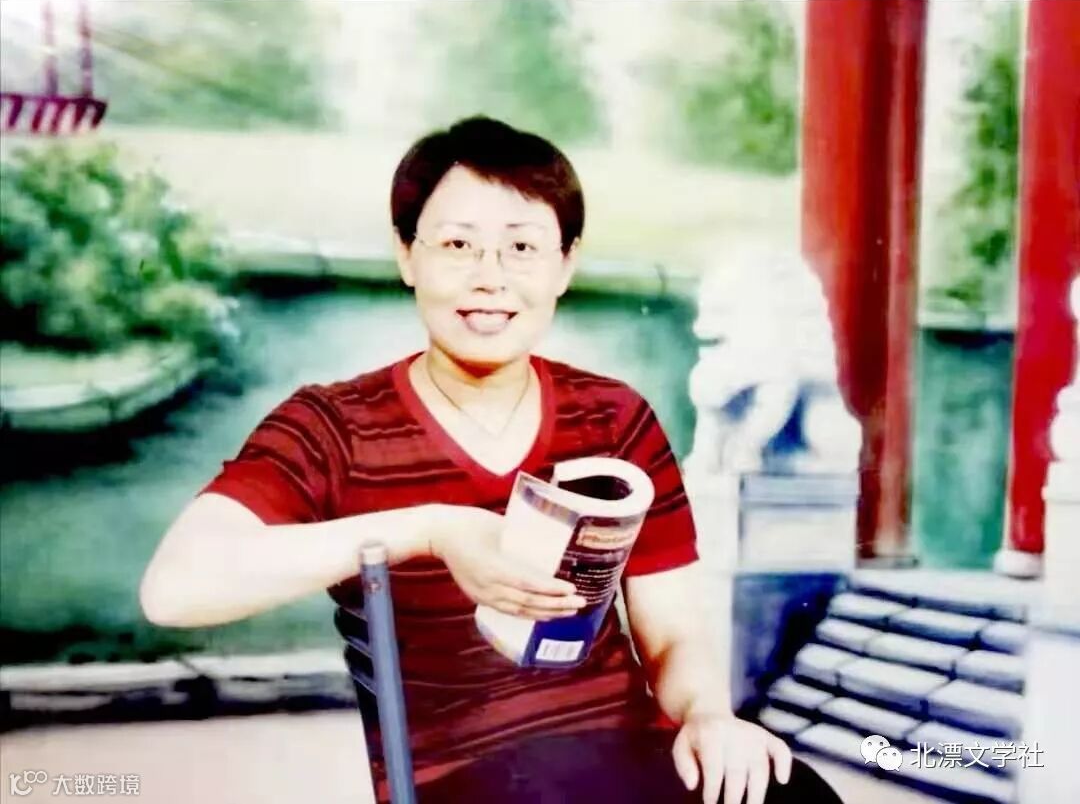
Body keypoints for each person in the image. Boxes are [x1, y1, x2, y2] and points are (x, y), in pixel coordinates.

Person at [139, 117, 842, 804]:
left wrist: (708, 716)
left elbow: (675, 633)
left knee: (793, 796)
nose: (490, 278)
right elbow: (174, 589)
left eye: (522, 247)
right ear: (406, 255)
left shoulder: (613, 416)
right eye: (457, 244)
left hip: (627, 761)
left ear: (565, 264)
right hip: (467, 778)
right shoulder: (333, 426)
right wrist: (431, 530)